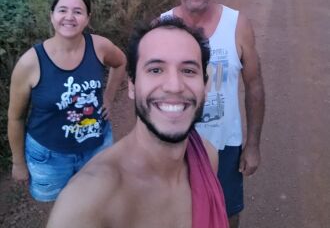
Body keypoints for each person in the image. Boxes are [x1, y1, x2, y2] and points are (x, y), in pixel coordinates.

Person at [46, 17, 229, 228]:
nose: (174, 86)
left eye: (188, 70)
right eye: (155, 69)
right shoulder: (85, 203)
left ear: (205, 85)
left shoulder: (208, 156)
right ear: (132, 86)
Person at [161, 0, 265, 228]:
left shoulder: (237, 24)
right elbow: (144, 92)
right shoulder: (161, 26)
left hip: (225, 142)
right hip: (173, 146)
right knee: (176, 214)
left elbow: (254, 85)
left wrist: (252, 145)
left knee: (227, 213)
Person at [7, 0, 127, 202]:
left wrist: (107, 97)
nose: (69, 17)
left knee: (96, 199)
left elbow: (120, 63)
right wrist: (18, 162)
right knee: (61, 207)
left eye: (78, 11)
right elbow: (15, 118)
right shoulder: (30, 63)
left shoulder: (99, 46)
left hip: (97, 147)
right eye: (62, 10)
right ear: (52, 16)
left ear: (87, 18)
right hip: (50, 156)